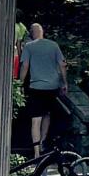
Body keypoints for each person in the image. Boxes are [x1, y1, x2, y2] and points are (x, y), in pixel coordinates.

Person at [18, 22, 70, 155]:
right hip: (52, 87)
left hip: (37, 87)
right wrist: (64, 83)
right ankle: (42, 143)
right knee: (47, 114)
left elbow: (25, 66)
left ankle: (36, 152)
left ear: (32, 33)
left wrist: (20, 83)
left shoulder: (29, 47)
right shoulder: (53, 45)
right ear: (42, 32)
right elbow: (62, 65)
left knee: (36, 119)